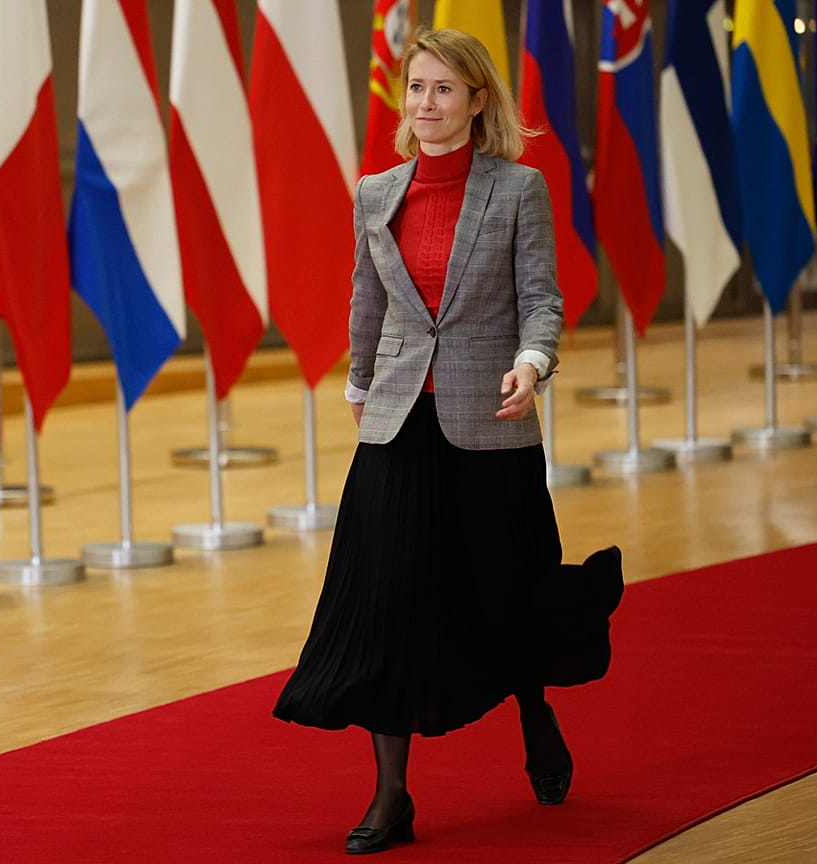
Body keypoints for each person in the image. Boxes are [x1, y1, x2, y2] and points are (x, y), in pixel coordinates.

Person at [271, 27, 622, 856]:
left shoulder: (519, 189)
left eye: (443, 89)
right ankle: (392, 797)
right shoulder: (376, 193)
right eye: (416, 87)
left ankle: (534, 710)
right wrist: (360, 385)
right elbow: (367, 300)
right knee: (385, 602)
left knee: (503, 593)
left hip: (490, 421)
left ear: (476, 100)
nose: (425, 103)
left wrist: (533, 363)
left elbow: (542, 299)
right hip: (397, 424)